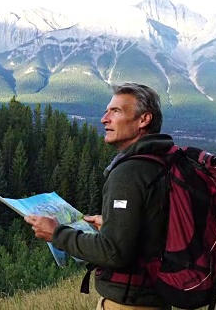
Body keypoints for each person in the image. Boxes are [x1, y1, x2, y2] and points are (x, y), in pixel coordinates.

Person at [25, 83, 174, 310]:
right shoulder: (163, 163)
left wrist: (57, 234)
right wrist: (113, 225)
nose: (104, 119)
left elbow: (113, 253)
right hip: (158, 298)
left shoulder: (129, 173)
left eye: (115, 111)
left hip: (129, 303)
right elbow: (157, 229)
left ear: (144, 120)